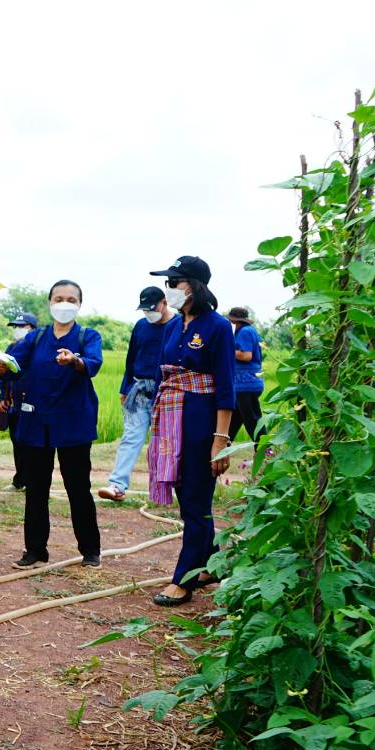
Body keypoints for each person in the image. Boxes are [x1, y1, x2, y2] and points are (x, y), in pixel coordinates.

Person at [145, 256, 235, 607]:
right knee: (188, 496)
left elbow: (225, 387)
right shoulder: (171, 327)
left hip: (201, 420)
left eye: (176, 282)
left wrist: (220, 440)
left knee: (197, 500)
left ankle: (184, 579)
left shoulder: (217, 327)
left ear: (195, 285)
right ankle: (212, 562)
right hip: (171, 420)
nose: (171, 289)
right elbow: (161, 376)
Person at [0, 281, 103, 569]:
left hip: (73, 423)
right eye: (58, 298)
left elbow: (93, 363)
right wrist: (1, 367)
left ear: (79, 304)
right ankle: (35, 550)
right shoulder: (37, 337)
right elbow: (15, 368)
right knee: (37, 488)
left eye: (70, 299)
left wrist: (74, 361)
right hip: (35, 422)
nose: (64, 303)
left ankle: (91, 551)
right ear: (49, 302)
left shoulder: (88, 336)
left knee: (78, 487)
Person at [100, 287, 176, 501]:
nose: (148, 314)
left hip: (167, 390)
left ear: (164, 303)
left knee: (165, 441)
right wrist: (125, 388)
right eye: (144, 310)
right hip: (139, 389)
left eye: (152, 309)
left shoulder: (178, 325)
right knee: (131, 437)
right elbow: (131, 358)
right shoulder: (141, 326)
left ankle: (165, 489)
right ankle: (117, 485)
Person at [0, 313, 38, 489]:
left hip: (32, 405)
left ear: (32, 328)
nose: (18, 330)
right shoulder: (11, 347)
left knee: (32, 444)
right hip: (14, 405)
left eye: (22, 326)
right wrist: (3, 398)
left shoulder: (39, 349)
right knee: (17, 442)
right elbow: (5, 375)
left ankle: (34, 480)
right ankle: (20, 480)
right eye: (16, 327)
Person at [226, 306, 264, 442]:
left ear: (235, 322)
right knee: (233, 420)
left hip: (246, 385)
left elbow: (246, 355)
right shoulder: (247, 331)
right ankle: (222, 448)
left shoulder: (245, 332)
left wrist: (225, 350)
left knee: (252, 420)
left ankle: (265, 450)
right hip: (242, 385)